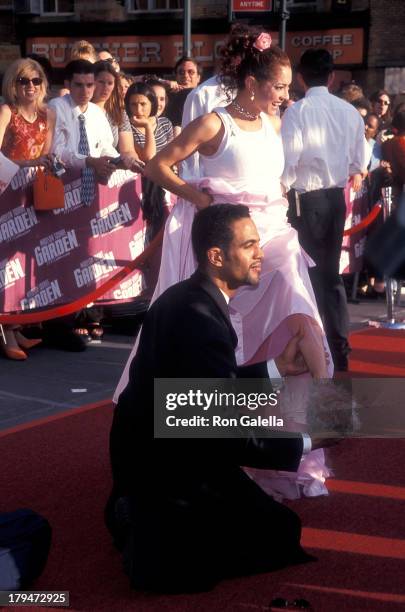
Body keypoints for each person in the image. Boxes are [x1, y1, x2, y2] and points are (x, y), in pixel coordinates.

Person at [115, 25, 331, 498]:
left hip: (273, 238)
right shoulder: (216, 123)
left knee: (299, 316)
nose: (284, 95)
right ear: (252, 84)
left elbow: (277, 179)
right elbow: (159, 165)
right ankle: (264, 435)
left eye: (287, 86)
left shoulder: (275, 123)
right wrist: (197, 195)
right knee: (237, 342)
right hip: (229, 246)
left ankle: (308, 422)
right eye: (277, 86)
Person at [106, 204, 316, 593]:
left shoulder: (186, 297)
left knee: (274, 524)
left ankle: (137, 514)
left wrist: (275, 368)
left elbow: (203, 397)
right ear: (216, 257)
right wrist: (306, 440)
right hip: (173, 468)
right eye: (250, 245)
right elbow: (216, 424)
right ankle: (144, 530)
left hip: (160, 448)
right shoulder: (200, 318)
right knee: (281, 534)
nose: (261, 254)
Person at [282, 49, 368, 372]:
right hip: (335, 198)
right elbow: (359, 163)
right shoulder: (349, 112)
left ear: (301, 77)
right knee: (328, 276)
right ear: (331, 77)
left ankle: (315, 349)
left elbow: (288, 166)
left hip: (307, 201)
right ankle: (336, 349)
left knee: (308, 277)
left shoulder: (298, 112)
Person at [0, 57, 55, 360]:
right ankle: (6, 331)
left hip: (32, 194)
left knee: (23, 262)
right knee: (6, 264)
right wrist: (28, 163)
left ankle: (17, 325)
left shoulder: (48, 116)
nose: (31, 86)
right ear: (13, 84)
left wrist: (47, 163)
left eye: (36, 80)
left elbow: (46, 154)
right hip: (6, 191)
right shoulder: (6, 112)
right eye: (24, 81)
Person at [92, 60, 139, 163]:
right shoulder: (81, 110)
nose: (105, 88)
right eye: (101, 82)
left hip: (113, 168)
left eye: (110, 83)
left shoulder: (119, 112)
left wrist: (132, 161)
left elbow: (127, 150)